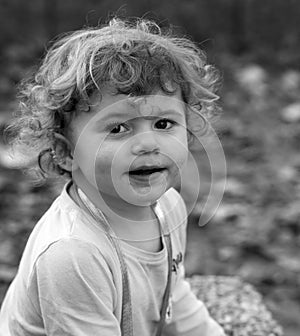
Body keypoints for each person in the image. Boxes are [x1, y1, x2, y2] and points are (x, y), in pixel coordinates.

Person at [0, 18, 225, 336]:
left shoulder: (169, 208)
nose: (148, 143)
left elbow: (174, 299)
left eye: (163, 124)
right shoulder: (74, 253)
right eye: (118, 128)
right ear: (66, 152)